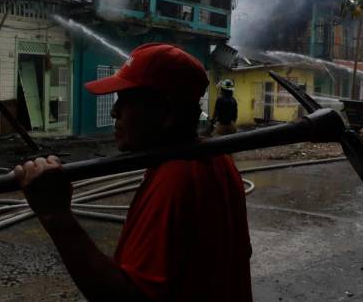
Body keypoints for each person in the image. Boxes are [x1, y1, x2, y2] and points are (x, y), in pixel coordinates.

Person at [14, 43, 253, 302]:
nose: (115, 111)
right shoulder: (218, 158)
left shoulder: (175, 179)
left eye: (126, 101)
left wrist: (56, 215)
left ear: (168, 113)